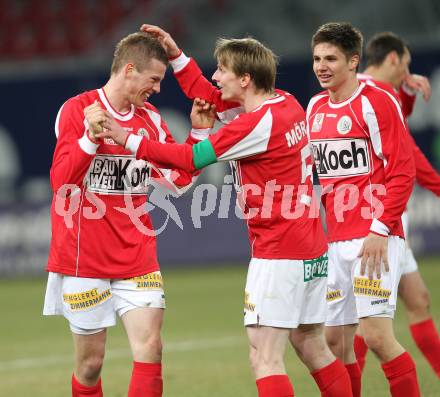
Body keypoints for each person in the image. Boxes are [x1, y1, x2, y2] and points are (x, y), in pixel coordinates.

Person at [95, 26, 353, 397]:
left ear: (245, 80)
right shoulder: (286, 103)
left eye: (221, 70)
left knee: (264, 358)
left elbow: (189, 158)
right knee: (312, 344)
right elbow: (209, 96)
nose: (214, 78)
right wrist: (177, 55)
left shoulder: (254, 124)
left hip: (278, 250)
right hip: (311, 246)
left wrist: (127, 138)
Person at [43, 32, 204, 397]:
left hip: (137, 255)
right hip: (84, 257)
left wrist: (200, 131)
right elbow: (61, 184)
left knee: (151, 348)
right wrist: (89, 138)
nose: (158, 89)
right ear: (129, 70)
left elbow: (178, 179)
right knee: (90, 365)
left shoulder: (150, 121)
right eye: (154, 80)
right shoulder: (77, 109)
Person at [307, 22, 420, 397]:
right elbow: (314, 173)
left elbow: (403, 170)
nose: (322, 66)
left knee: (375, 337)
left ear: (354, 61)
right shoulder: (316, 107)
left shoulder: (375, 100)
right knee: (335, 344)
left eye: (331, 59)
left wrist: (380, 229)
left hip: (374, 237)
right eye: (317, 59)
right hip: (335, 241)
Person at [354, 31, 440, 378]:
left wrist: (403, 94)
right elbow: (404, 154)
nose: (407, 72)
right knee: (365, 326)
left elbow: (390, 137)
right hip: (375, 222)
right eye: (405, 65)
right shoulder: (370, 94)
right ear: (392, 59)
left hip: (382, 220)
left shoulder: (373, 91)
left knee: (417, 300)